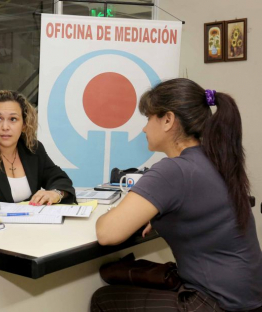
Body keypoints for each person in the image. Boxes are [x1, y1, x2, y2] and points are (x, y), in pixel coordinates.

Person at [91, 78, 262, 311]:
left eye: (149, 118)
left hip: (218, 303)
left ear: (168, 120)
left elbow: (106, 233)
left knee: (104, 299)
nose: (144, 128)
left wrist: (109, 213)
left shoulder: (173, 170)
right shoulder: (216, 159)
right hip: (247, 298)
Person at [0, 90, 76, 211]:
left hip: (30, 224)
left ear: (24, 124)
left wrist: (55, 193)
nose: (5, 127)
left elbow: (60, 179)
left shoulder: (33, 148)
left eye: (13, 119)